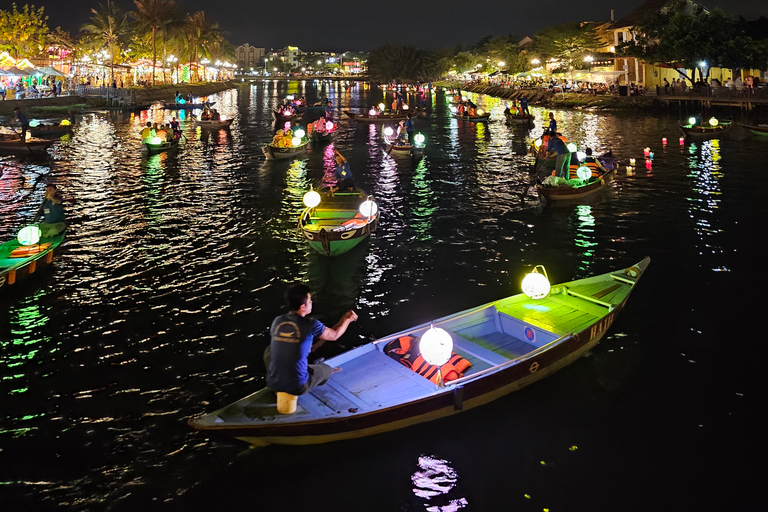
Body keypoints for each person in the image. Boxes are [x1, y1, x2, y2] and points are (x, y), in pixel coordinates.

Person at [264, 284, 358, 396]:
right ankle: (314, 377)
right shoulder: (311, 324)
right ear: (303, 307)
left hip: (272, 382)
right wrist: (347, 319)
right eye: (310, 300)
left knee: (270, 349)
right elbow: (334, 335)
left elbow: (289, 343)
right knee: (326, 369)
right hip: (298, 386)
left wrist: (316, 345)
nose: (311, 303)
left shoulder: (277, 321)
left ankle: (278, 386)